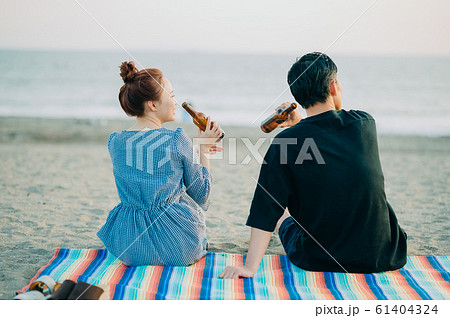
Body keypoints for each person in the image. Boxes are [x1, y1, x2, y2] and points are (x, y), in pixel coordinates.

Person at [219, 52, 407, 278]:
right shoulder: (365, 123)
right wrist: (301, 125)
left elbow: (265, 208)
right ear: (333, 86)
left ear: (298, 97)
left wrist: (249, 268)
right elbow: (331, 128)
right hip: (385, 253)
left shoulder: (286, 144)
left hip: (321, 257)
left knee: (281, 212)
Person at [97, 61, 223, 266]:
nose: (175, 102)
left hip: (129, 247)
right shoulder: (176, 139)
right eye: (172, 96)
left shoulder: (115, 142)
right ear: (153, 105)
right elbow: (202, 196)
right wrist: (203, 151)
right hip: (178, 246)